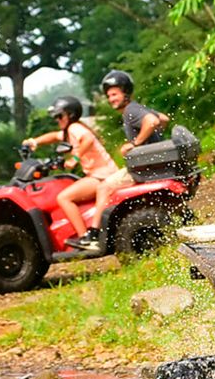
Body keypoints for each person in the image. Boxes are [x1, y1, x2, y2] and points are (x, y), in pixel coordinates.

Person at [71, 70, 170, 253]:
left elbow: (152, 122)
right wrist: (152, 142)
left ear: (126, 93)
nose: (111, 99)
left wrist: (135, 144)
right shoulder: (135, 108)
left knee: (103, 187)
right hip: (151, 164)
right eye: (109, 96)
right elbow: (163, 119)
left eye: (115, 94)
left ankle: (93, 235)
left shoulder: (131, 110)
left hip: (143, 168)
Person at [21, 96, 119, 249]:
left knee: (64, 197)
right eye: (56, 117)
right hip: (98, 175)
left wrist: (75, 158)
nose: (57, 119)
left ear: (70, 115)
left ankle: (86, 238)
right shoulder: (69, 131)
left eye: (60, 116)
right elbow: (54, 136)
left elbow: (88, 139)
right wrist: (34, 141)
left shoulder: (75, 128)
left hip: (103, 176)